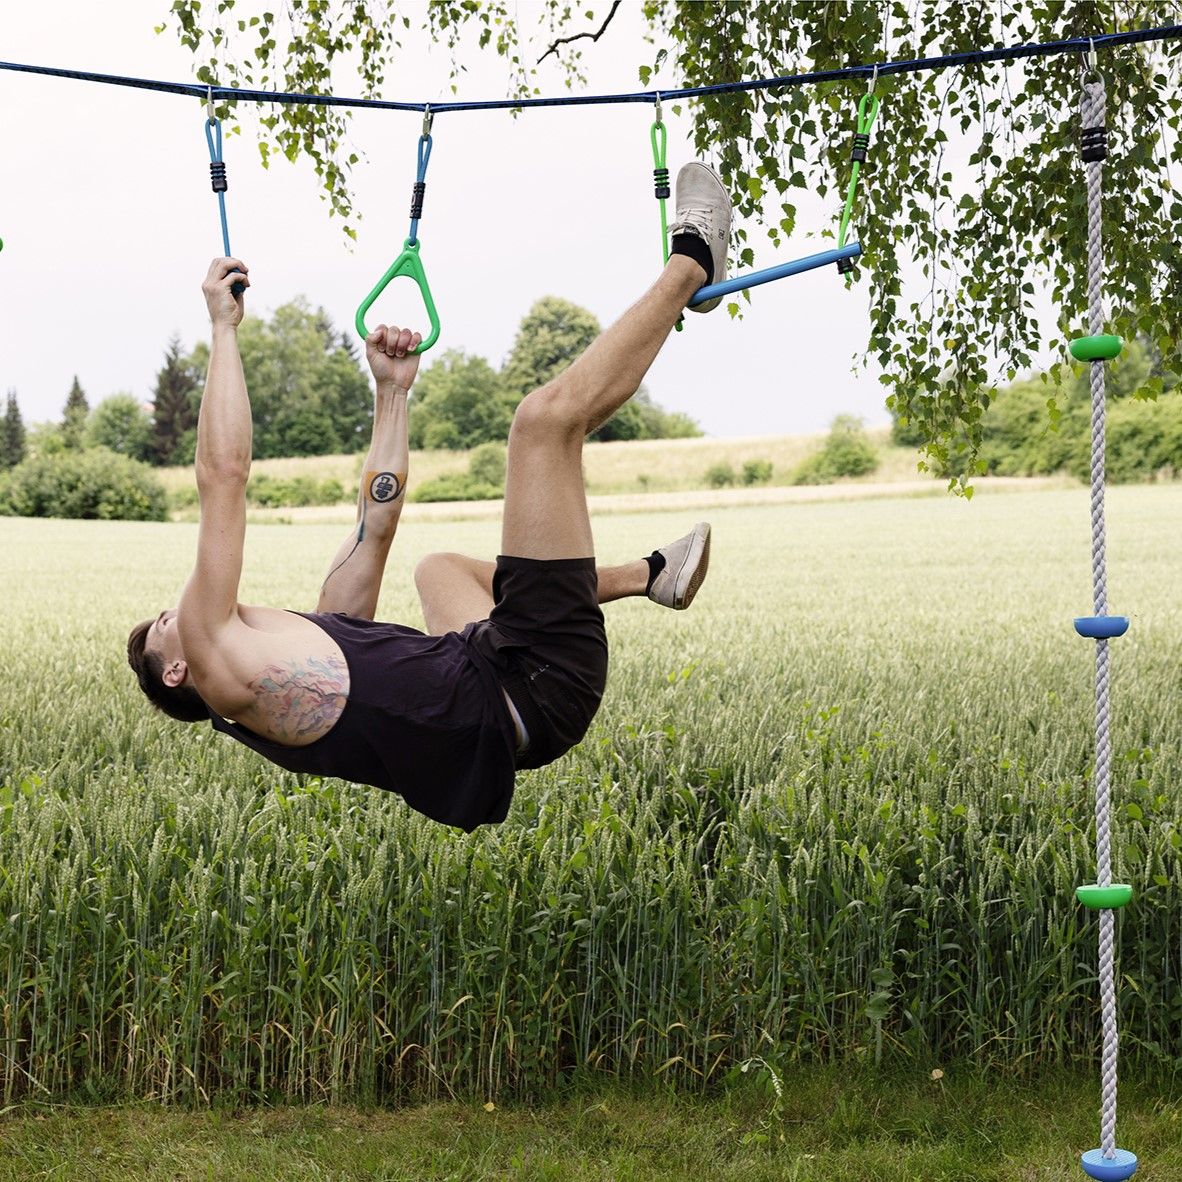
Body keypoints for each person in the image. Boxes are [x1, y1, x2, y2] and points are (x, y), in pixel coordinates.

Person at [127, 162, 730, 831]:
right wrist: (223, 328)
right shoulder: (220, 667)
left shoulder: (306, 642)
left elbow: (375, 523)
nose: (175, 606)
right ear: (178, 671)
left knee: (436, 568)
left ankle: (651, 576)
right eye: (163, 620)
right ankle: (694, 263)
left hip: (492, 664)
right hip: (532, 682)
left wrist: (391, 394)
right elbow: (223, 477)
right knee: (542, 424)